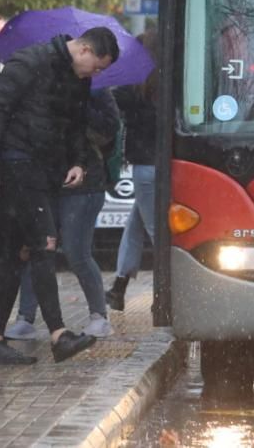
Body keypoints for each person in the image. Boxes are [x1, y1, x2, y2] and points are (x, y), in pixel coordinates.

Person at [0, 27, 119, 364]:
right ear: (83, 50)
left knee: (17, 251)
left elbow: (73, 122)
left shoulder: (74, 78)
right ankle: (58, 334)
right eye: (96, 67)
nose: (95, 74)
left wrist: (78, 160)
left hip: (44, 167)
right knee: (44, 243)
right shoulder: (29, 62)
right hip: (17, 163)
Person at [6, 88, 120, 340]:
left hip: (84, 184)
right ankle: (26, 317)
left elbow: (110, 128)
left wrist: (78, 106)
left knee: (76, 251)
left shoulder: (94, 89)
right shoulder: (41, 86)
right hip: (46, 180)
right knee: (39, 248)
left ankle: (98, 316)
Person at [106, 30, 159, 312]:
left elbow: (111, 101)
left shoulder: (135, 87)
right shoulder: (167, 84)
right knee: (135, 226)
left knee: (155, 231)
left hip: (145, 168)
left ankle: (165, 292)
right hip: (163, 165)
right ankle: (119, 286)